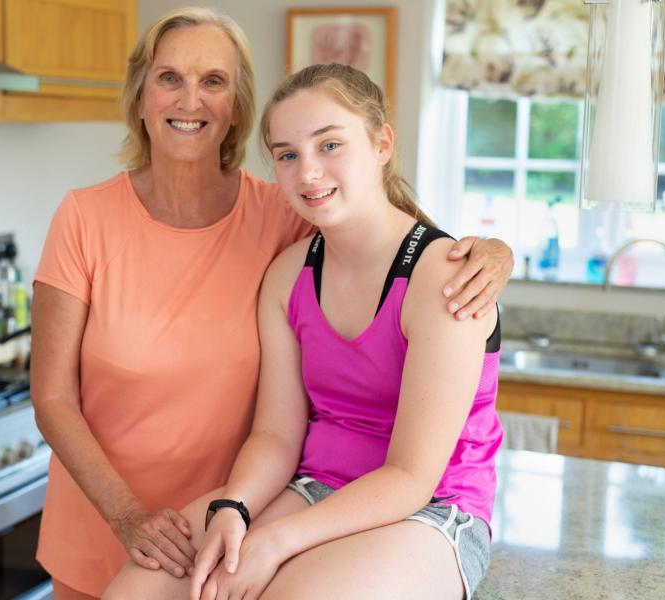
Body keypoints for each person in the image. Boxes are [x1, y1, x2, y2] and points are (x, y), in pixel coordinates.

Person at [32, 8, 512, 600]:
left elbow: (412, 475)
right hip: (257, 491)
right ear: (139, 95)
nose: (309, 171)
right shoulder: (287, 265)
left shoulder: (309, 227)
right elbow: (276, 431)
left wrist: (496, 252)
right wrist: (233, 508)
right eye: (287, 154)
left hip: (406, 505)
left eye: (213, 80)